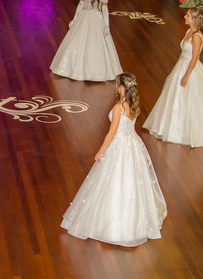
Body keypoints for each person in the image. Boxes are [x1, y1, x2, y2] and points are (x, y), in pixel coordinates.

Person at [61, 72, 167, 246]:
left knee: (112, 180)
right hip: (133, 144)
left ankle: (111, 223)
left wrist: (100, 151)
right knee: (132, 181)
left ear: (122, 88)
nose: (116, 88)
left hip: (119, 145)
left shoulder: (119, 107)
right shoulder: (133, 104)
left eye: (118, 85)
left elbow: (112, 133)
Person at [144, 8, 203, 147]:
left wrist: (186, 75)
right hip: (182, 66)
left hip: (191, 69)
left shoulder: (197, 36)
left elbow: (194, 57)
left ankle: (188, 132)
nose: (185, 17)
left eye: (188, 16)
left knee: (190, 99)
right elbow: (183, 52)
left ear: (194, 19)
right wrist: (176, 68)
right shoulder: (189, 32)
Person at [48, 0, 122, 82]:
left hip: (96, 19)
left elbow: (104, 10)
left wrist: (106, 25)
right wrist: (75, 19)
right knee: (75, 41)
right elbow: (80, 5)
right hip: (84, 17)